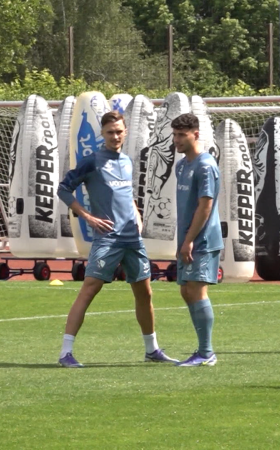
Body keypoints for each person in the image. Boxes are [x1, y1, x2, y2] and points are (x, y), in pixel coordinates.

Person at [56, 111, 176, 368]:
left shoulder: (127, 161)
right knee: (89, 289)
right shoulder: (92, 161)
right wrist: (87, 216)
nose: (115, 136)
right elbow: (63, 189)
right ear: (102, 133)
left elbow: (126, 193)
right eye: (110, 132)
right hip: (107, 239)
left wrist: (137, 213)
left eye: (119, 131)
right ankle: (66, 352)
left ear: (126, 132)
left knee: (145, 293)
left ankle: (151, 349)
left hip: (132, 239)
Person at [172, 113, 222, 367]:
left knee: (196, 289)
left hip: (202, 240)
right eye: (175, 134)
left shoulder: (205, 165)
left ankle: (206, 352)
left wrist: (189, 240)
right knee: (185, 290)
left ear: (196, 134)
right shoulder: (181, 166)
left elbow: (205, 206)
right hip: (187, 239)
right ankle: (203, 351)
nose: (177, 140)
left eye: (182, 135)